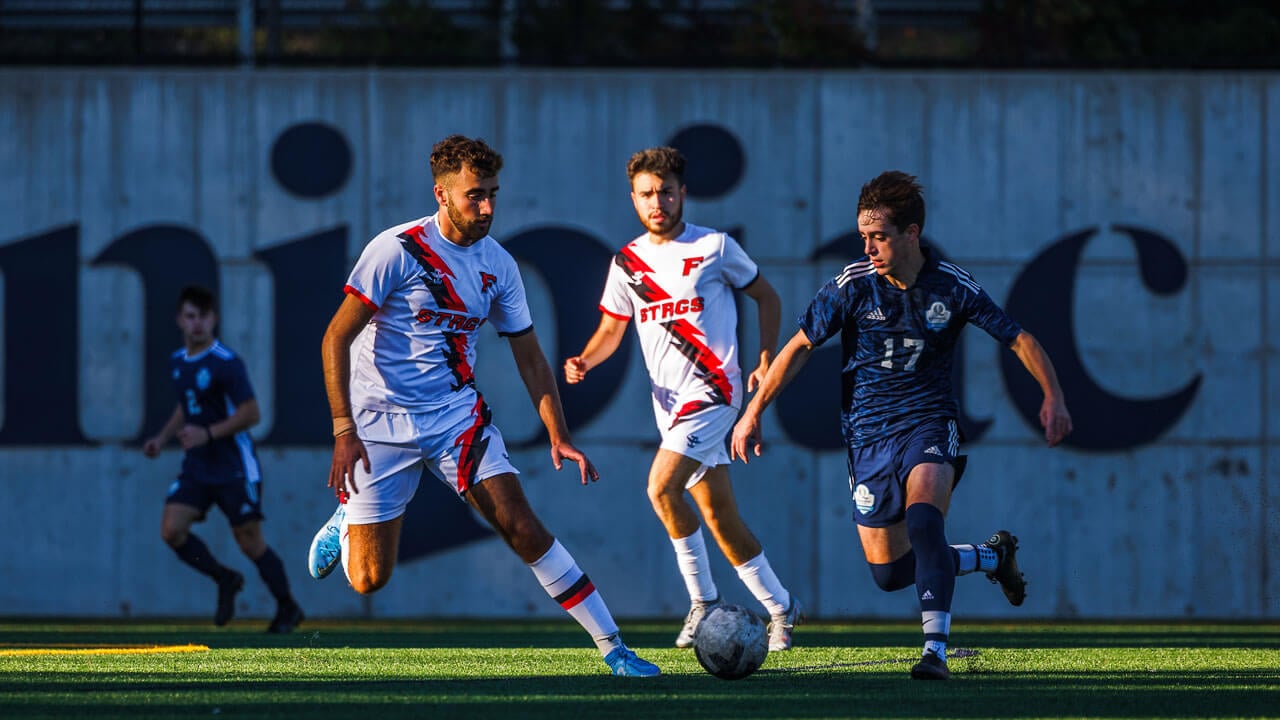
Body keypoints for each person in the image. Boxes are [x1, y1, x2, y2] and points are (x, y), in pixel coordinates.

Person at [304, 134, 660, 678]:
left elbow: (532, 359)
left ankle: (613, 647)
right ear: (441, 195)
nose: (489, 206)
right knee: (368, 580)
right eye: (476, 195)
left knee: (522, 525)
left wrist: (558, 434)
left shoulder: (499, 265)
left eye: (493, 193)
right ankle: (349, 516)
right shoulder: (396, 250)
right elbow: (335, 339)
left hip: (454, 419)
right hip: (378, 424)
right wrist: (342, 430)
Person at [731, 171, 1073, 680]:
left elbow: (1019, 339)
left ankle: (934, 650)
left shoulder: (951, 286)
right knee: (889, 573)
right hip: (867, 437)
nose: (868, 247)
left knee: (923, 522)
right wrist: (753, 411)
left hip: (929, 423)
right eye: (863, 236)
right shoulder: (853, 286)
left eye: (880, 236)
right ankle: (990, 556)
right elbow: (799, 346)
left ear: (912, 233)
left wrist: (1054, 396)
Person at [564, 146, 801, 652]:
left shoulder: (714, 247)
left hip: (714, 393)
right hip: (669, 409)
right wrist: (585, 359)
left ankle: (703, 601)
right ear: (633, 198)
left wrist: (763, 359)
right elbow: (611, 328)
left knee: (659, 488)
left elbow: (768, 297)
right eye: (647, 194)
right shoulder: (627, 262)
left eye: (666, 192)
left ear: (682, 194)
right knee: (720, 518)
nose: (658, 202)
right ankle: (782, 608)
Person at [143, 285, 304, 633]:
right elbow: (186, 407)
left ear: (213, 319)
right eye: (190, 316)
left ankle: (288, 607)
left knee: (249, 542)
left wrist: (209, 433)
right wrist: (162, 437)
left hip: (233, 465)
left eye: (203, 316)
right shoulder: (177, 362)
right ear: (179, 320)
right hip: (198, 467)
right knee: (171, 530)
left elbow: (251, 414)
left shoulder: (226, 364)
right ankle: (224, 579)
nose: (197, 323)